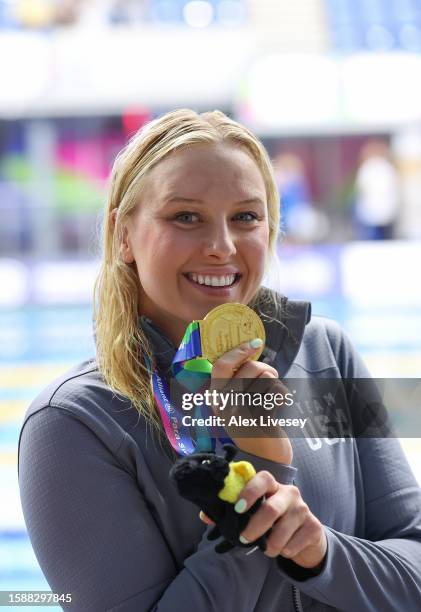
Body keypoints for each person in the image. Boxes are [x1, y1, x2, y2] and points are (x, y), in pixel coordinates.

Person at [18, 109, 421, 611]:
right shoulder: (74, 422)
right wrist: (261, 465)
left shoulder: (326, 354)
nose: (221, 247)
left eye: (246, 217)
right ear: (123, 234)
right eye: (185, 217)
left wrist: (320, 555)